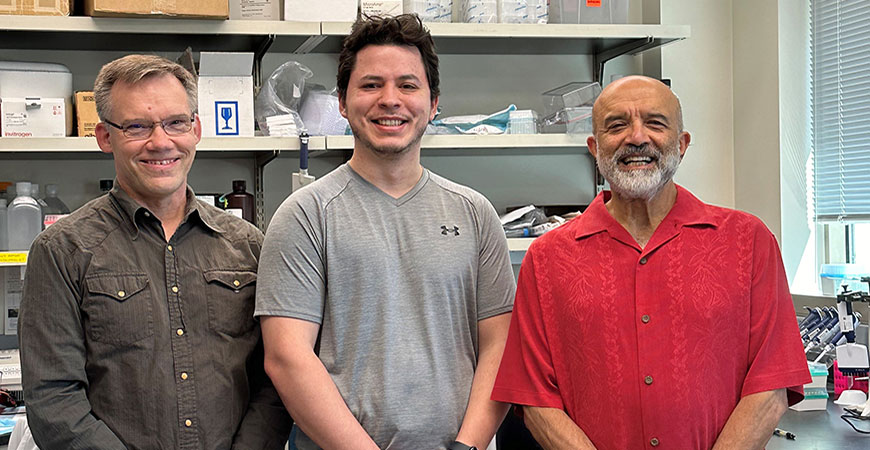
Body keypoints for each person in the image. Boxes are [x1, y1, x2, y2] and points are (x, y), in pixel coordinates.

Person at [491, 76, 812, 450]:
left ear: (682, 143)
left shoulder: (749, 242)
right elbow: (534, 398)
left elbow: (771, 384)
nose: (637, 137)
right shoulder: (547, 259)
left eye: (655, 123)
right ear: (594, 147)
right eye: (617, 125)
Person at [255, 14, 516, 450]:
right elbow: (286, 358)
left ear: (434, 103)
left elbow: (500, 345)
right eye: (371, 85)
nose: (389, 100)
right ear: (342, 101)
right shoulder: (305, 214)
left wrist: (466, 446)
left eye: (408, 86)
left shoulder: (475, 213)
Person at [18, 54, 291, 450]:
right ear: (105, 137)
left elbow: (274, 381)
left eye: (176, 122)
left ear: (196, 129)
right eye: (136, 126)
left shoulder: (248, 246)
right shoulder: (61, 251)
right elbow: (54, 400)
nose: (160, 141)